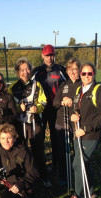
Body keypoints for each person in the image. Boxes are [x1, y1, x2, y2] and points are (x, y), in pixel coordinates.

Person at [61, 62, 101, 198]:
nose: (86, 76)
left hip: (91, 134)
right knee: (84, 163)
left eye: (89, 73)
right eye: (84, 73)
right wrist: (73, 116)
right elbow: (76, 111)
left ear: (93, 74)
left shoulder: (99, 90)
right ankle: (91, 192)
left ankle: (77, 196)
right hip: (78, 133)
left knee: (78, 164)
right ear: (80, 74)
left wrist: (86, 128)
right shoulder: (79, 91)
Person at [8, 57, 50, 187]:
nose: (25, 72)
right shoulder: (13, 87)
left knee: (38, 149)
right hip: (19, 124)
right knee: (21, 151)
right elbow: (9, 106)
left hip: (34, 121)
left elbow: (43, 101)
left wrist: (37, 108)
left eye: (27, 69)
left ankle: (43, 175)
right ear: (17, 71)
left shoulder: (37, 85)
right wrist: (17, 109)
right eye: (22, 69)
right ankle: (22, 177)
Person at [31, 44, 67, 185]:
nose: (49, 58)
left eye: (51, 55)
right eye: (47, 55)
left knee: (56, 138)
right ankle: (39, 168)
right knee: (38, 139)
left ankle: (57, 166)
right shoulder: (37, 71)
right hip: (40, 110)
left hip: (56, 110)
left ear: (54, 55)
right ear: (42, 56)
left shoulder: (61, 70)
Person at [0, 124, 39, 198]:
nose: (5, 141)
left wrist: (20, 184)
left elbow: (34, 172)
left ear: (15, 138)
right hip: (9, 184)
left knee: (25, 191)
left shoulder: (24, 151)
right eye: (3, 138)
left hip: (25, 183)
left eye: (9, 138)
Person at [52, 57, 82, 187]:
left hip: (77, 124)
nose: (72, 72)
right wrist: (62, 100)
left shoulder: (83, 84)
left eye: (75, 69)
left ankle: (79, 178)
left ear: (80, 70)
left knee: (78, 153)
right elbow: (54, 103)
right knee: (63, 152)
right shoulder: (64, 85)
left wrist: (73, 104)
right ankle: (64, 177)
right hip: (62, 123)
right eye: (70, 69)